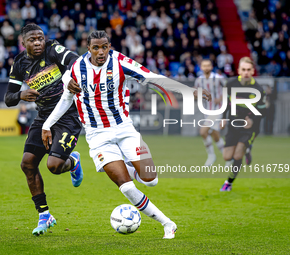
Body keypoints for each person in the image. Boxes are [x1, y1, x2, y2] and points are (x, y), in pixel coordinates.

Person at [41, 31, 211, 239]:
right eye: (96, 47)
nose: (101, 52)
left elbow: (152, 78)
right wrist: (47, 125)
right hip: (97, 137)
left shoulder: (120, 61)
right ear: (89, 49)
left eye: (105, 47)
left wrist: (188, 90)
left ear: (109, 46)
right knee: (127, 188)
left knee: (151, 180)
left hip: (124, 129)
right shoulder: (77, 69)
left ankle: (124, 167)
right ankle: (167, 223)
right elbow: (66, 99)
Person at [4, 24, 83, 236]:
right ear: (23, 42)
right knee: (27, 163)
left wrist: (70, 78)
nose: (38, 42)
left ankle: (73, 162)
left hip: (68, 114)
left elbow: (76, 61)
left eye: (40, 38)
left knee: (54, 166)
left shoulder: (52, 50)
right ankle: (44, 214)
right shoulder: (19, 64)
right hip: (43, 116)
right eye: (32, 39)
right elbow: (8, 98)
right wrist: (21, 94)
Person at [220, 57, 266, 191]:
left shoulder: (258, 89)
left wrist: (251, 119)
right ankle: (247, 150)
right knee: (227, 157)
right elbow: (226, 103)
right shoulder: (231, 83)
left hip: (249, 128)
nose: (246, 72)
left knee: (237, 156)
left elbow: (262, 111)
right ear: (239, 70)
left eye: (249, 70)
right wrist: (223, 118)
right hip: (233, 124)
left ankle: (229, 183)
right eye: (243, 69)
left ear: (253, 71)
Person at [194, 59, 225, 166]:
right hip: (207, 111)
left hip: (218, 109)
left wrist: (220, 98)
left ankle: (211, 155)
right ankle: (228, 157)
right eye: (204, 66)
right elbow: (195, 94)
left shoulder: (219, 78)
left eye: (208, 65)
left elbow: (228, 89)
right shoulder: (199, 80)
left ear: (211, 67)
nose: (206, 67)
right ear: (201, 67)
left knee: (203, 131)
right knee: (215, 135)